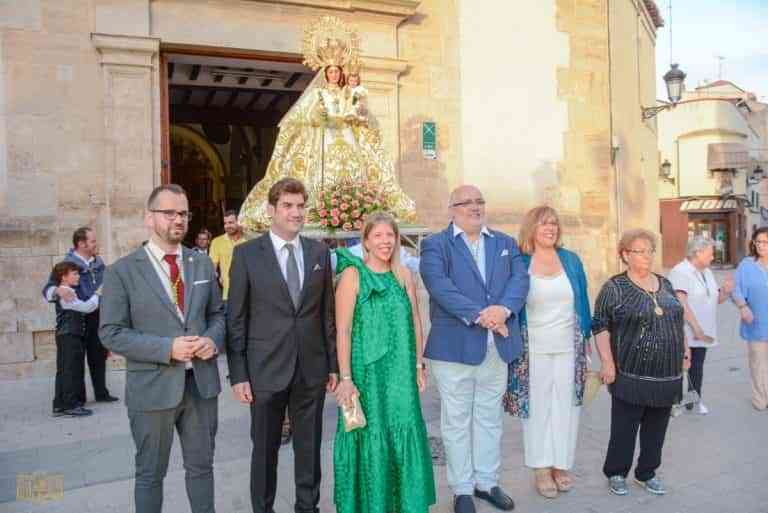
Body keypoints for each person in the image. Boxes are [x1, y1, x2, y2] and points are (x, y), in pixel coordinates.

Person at [99, 184, 226, 513]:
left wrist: (212, 340)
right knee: (150, 475)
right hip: (152, 387)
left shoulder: (201, 263)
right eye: (169, 213)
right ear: (148, 218)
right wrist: (167, 348)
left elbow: (218, 314)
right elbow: (111, 333)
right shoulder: (122, 272)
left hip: (201, 386)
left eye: (183, 213)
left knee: (202, 469)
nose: (178, 219)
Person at [237, 17, 415, 232]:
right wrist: (319, 116)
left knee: (355, 171)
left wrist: (359, 112)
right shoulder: (318, 94)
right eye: (331, 72)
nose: (334, 75)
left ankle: (355, 203)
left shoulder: (348, 93)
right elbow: (302, 117)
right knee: (322, 174)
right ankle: (325, 207)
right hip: (325, 140)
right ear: (325, 73)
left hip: (347, 139)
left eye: (337, 71)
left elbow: (361, 116)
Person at [227, 178, 338, 513]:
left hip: (311, 369)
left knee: (309, 448)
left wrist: (332, 365)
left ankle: (308, 507)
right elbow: (236, 318)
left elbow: (326, 314)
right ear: (271, 209)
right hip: (264, 371)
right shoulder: (246, 254)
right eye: (288, 206)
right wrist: (238, 374)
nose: (296, 212)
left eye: (301, 206)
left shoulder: (319, 253)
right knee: (264, 450)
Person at [420, 185, 529, 513]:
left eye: (479, 201)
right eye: (466, 202)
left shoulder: (504, 243)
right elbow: (440, 287)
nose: (474, 207)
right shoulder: (435, 245)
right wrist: (483, 316)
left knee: (489, 418)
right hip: (454, 350)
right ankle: (462, 489)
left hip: (496, 348)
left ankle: (486, 482)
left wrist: (504, 310)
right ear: (451, 209)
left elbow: (520, 281)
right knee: (455, 422)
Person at [333, 212, 436, 513]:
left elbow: (415, 321)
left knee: (404, 426)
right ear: (365, 241)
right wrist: (346, 378)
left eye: (390, 235)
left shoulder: (404, 275)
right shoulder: (352, 276)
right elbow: (343, 330)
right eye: (377, 235)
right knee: (370, 431)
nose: (385, 241)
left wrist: (418, 364)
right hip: (366, 375)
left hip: (401, 372)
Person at [592, 229, 689, 497]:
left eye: (650, 250)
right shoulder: (614, 288)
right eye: (640, 251)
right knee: (624, 428)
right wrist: (607, 362)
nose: (647, 256)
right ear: (625, 255)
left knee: (657, 429)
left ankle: (646, 473)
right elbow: (600, 326)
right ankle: (616, 472)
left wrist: (684, 348)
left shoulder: (665, 283)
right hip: (630, 373)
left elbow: (676, 319)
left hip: (667, 374)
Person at [504, 207, 591, 498]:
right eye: (543, 224)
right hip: (533, 350)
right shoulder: (520, 262)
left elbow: (583, 301)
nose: (550, 228)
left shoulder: (571, 260)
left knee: (567, 407)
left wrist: (587, 338)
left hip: (569, 347)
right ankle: (541, 468)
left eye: (554, 223)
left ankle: (561, 465)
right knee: (539, 409)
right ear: (531, 228)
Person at [42, 226, 117, 404]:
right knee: (74, 362)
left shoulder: (98, 263)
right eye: (93, 241)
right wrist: (57, 290)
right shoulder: (67, 265)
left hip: (97, 316)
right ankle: (75, 399)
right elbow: (47, 289)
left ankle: (101, 392)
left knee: (98, 355)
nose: (96, 244)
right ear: (81, 244)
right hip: (77, 317)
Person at [668, 236, 734, 415]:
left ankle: (693, 401)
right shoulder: (680, 271)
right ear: (697, 253)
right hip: (685, 331)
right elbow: (681, 303)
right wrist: (696, 328)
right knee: (680, 368)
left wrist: (726, 291)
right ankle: (674, 404)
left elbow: (715, 299)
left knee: (697, 368)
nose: (713, 257)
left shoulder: (706, 272)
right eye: (710, 253)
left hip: (703, 332)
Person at [51, 261, 99, 417]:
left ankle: (60, 405)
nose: (78, 276)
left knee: (64, 370)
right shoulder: (66, 292)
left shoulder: (67, 291)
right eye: (75, 273)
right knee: (71, 370)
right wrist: (97, 294)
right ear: (63, 277)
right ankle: (70, 405)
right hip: (70, 335)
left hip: (67, 335)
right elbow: (86, 307)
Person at [732, 227, 768, 411]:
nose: (761, 245)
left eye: (765, 242)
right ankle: (760, 399)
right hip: (756, 323)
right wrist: (743, 306)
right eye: (758, 242)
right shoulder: (747, 265)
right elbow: (736, 288)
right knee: (758, 363)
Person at [209, 210, 245, 301]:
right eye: (225, 223)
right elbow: (211, 269)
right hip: (227, 295)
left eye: (231, 222)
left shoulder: (248, 240)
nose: (227, 226)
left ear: (239, 222)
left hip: (248, 295)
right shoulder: (217, 242)